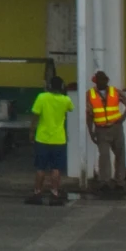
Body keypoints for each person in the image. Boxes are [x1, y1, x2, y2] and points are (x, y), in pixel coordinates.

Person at [27, 75, 74, 206]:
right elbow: (71, 108)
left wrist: (31, 131)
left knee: (40, 168)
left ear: (49, 86)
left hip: (42, 138)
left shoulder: (42, 97)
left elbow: (35, 115)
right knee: (56, 168)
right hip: (59, 139)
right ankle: (54, 193)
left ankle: (37, 193)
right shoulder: (66, 100)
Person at [86, 69, 126, 196]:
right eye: (100, 79)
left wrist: (123, 117)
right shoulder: (90, 95)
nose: (103, 82)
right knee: (104, 156)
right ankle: (104, 182)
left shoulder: (115, 92)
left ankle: (119, 182)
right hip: (101, 129)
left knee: (120, 155)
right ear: (96, 81)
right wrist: (91, 131)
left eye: (105, 79)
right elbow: (89, 115)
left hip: (116, 127)